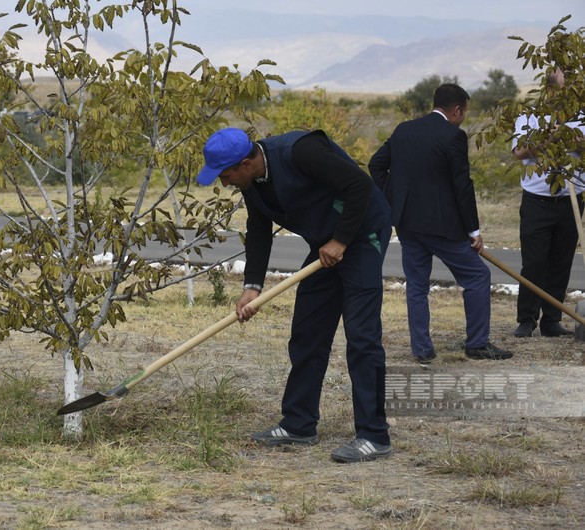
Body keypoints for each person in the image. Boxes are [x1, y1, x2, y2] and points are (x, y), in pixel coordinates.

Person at [197, 127, 392, 463]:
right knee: (307, 332)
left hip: (361, 234)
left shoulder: (302, 151)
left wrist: (341, 240)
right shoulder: (253, 183)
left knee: (362, 336)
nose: (224, 183)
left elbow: (359, 186)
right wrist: (252, 287)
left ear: (245, 163)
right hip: (326, 242)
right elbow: (259, 231)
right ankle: (299, 423)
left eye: (225, 175)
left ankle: (374, 435)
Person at [368, 83, 512, 362]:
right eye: (465, 111)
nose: (464, 116)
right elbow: (462, 186)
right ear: (457, 110)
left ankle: (422, 350)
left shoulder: (403, 130)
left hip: (408, 224)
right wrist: (474, 230)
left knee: (417, 285)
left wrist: (395, 200)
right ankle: (477, 343)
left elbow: (376, 164)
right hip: (443, 227)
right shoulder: (453, 136)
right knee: (477, 277)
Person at [512, 68, 585, 338]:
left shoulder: (581, 116)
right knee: (533, 261)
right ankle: (526, 319)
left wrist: (573, 137)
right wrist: (549, 137)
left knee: (561, 260)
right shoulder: (529, 116)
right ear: (551, 91)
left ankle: (552, 320)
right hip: (537, 199)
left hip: (572, 198)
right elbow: (519, 151)